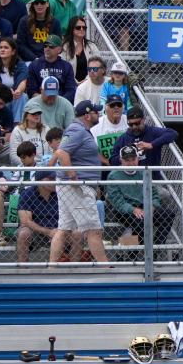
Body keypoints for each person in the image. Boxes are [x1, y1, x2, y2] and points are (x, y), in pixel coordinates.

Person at [49, 99, 108, 264]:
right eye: (96, 111)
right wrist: (73, 176)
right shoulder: (77, 129)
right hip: (76, 188)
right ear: (87, 115)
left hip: (72, 186)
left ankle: (51, 269)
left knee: (63, 229)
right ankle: (106, 269)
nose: (99, 113)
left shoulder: (81, 130)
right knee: (93, 229)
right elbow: (61, 152)